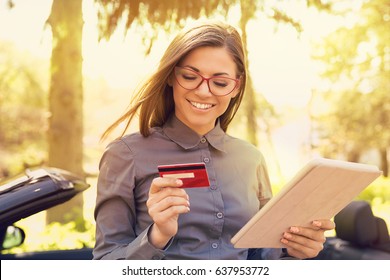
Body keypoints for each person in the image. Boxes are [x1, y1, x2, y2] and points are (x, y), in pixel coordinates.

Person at [93, 19, 334, 260]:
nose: (203, 91)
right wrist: (157, 236)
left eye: (220, 83)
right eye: (189, 76)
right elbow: (104, 262)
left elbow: (264, 258)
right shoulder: (125, 155)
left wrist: (296, 251)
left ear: (236, 87)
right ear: (170, 77)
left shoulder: (251, 159)